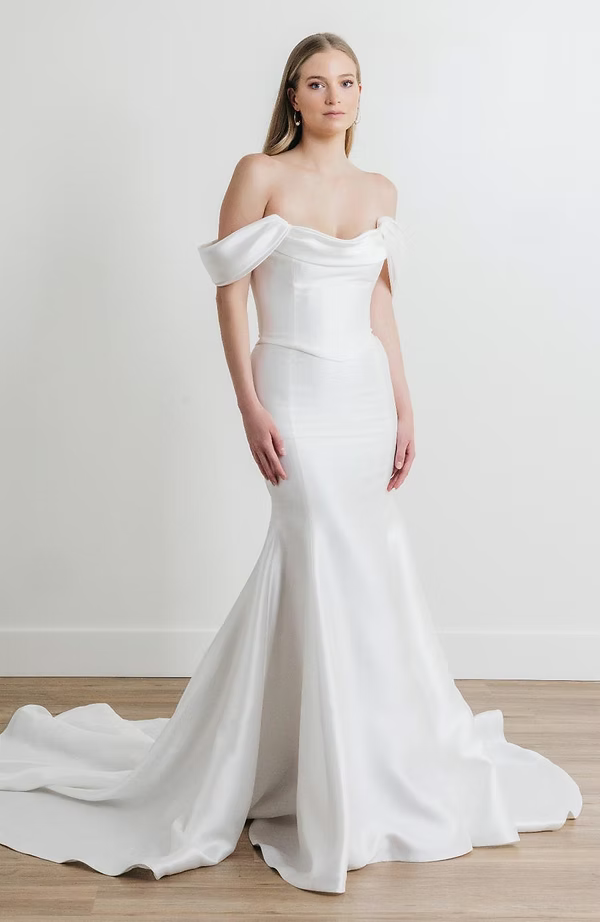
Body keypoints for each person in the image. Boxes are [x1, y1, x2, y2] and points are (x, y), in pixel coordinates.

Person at [0, 32, 582, 895]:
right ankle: (305, 767)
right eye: (316, 83)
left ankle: (351, 758)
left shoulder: (380, 190)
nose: (333, 95)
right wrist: (249, 403)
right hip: (294, 391)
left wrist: (406, 403)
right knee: (314, 548)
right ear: (293, 96)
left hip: (363, 395)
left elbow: (380, 300)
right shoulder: (259, 174)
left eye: (347, 81)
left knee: (361, 565)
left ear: (360, 95)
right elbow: (230, 295)